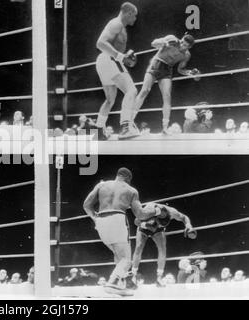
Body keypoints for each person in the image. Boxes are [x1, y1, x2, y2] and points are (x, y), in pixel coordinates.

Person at [82, 167, 162, 295]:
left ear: (117, 175)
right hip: (117, 219)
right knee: (126, 259)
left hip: (100, 222)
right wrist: (156, 211)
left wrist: (94, 218)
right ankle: (112, 283)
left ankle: (120, 285)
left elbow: (86, 205)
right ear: (129, 179)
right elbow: (140, 214)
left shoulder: (102, 185)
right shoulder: (131, 190)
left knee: (119, 255)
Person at [133, 34, 199, 133]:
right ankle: (130, 121)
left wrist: (189, 73)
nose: (181, 45)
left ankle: (165, 127)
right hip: (156, 63)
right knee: (145, 90)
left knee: (167, 96)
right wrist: (164, 43)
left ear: (189, 47)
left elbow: (180, 69)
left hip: (167, 69)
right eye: (181, 42)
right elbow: (153, 43)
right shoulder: (172, 39)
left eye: (185, 45)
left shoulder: (186, 55)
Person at [93, 2, 139, 140]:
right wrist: (120, 56)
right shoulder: (116, 24)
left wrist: (125, 58)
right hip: (110, 59)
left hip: (104, 61)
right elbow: (100, 43)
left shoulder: (120, 27)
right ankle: (125, 127)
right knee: (132, 91)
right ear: (128, 13)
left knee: (110, 100)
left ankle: (99, 130)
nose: (135, 19)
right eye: (134, 16)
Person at [131, 203, 195, 287]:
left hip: (158, 231)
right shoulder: (148, 211)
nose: (159, 224)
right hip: (143, 228)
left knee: (162, 249)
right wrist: (146, 225)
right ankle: (133, 276)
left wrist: (188, 225)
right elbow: (136, 221)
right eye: (159, 223)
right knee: (138, 248)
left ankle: (159, 278)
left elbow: (184, 217)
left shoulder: (172, 212)